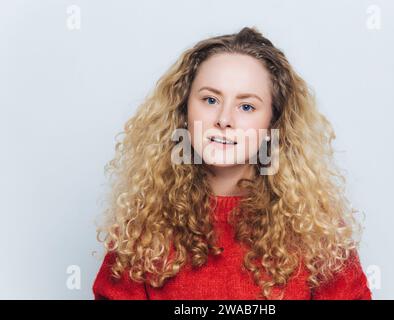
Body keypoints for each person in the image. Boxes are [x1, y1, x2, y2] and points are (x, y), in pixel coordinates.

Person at [92, 26, 372, 300]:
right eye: (210, 99)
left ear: (273, 123)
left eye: (247, 106)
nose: (224, 119)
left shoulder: (314, 228)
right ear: (184, 110)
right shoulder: (141, 226)